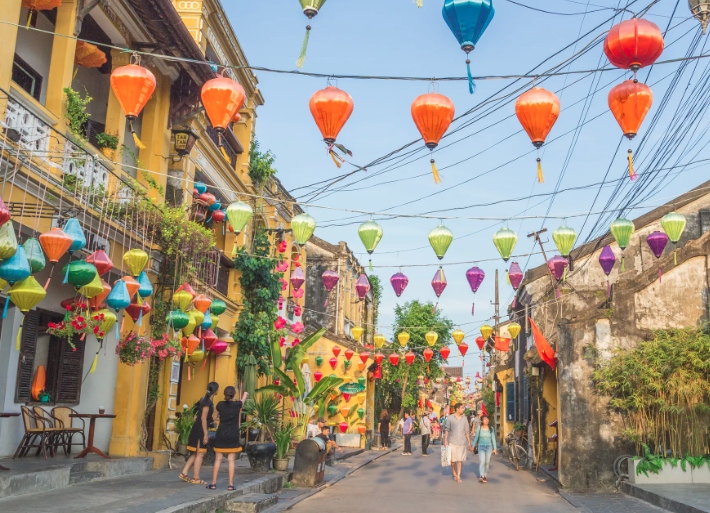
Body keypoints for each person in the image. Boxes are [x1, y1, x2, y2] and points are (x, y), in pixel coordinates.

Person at [208, 387, 248, 490]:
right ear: (233, 395)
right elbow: (243, 400)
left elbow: (214, 417)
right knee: (231, 460)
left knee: (218, 459)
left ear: (224, 394)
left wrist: (221, 417)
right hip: (233, 434)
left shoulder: (220, 405)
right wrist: (245, 394)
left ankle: (213, 483)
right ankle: (230, 484)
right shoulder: (237, 405)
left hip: (221, 433)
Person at [179, 382, 219, 485]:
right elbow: (203, 418)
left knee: (195, 453)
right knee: (200, 453)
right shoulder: (207, 403)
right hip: (200, 429)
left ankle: (184, 472)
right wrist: (206, 433)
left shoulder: (208, 401)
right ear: (216, 391)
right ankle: (196, 478)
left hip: (200, 428)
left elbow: (208, 418)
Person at [443, 402, 472, 482]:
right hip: (452, 442)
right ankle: (453, 470)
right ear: (457, 409)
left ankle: (458, 476)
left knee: (460, 460)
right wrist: (445, 440)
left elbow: (467, 431)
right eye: (462, 408)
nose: (463, 409)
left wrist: (469, 442)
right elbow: (447, 430)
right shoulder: (450, 418)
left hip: (462, 442)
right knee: (453, 460)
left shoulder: (464, 418)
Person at [472, 415, 498, 483]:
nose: (487, 420)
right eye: (485, 419)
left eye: (487, 419)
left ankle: (485, 476)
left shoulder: (491, 428)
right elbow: (476, 438)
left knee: (487, 462)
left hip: (489, 447)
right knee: (482, 461)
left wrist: (495, 449)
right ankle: (481, 476)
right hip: (481, 447)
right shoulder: (479, 428)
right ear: (482, 421)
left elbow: (493, 439)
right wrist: (473, 446)